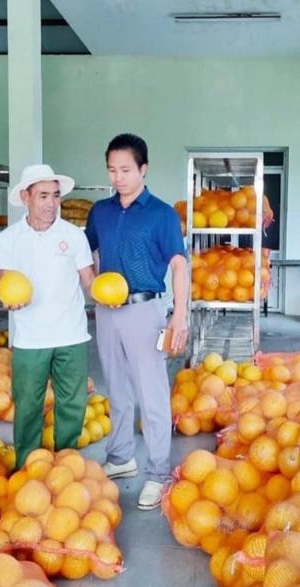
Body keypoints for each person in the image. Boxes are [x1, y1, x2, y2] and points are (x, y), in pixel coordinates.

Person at [85, 133, 188, 510]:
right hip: (108, 312)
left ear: (143, 169)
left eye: (125, 170)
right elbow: (91, 251)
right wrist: (94, 286)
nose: (118, 177)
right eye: (112, 170)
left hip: (146, 311)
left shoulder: (161, 213)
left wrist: (180, 313)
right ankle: (121, 457)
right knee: (118, 387)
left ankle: (158, 472)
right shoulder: (101, 211)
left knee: (152, 392)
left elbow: (178, 264)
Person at [0, 164, 95, 469]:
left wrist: (108, 295)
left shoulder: (74, 235)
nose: (51, 203)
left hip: (72, 335)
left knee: (72, 405)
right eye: (43, 196)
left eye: (55, 196)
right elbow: (5, 282)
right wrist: (7, 300)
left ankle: (66, 465)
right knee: (27, 406)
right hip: (30, 338)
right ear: (25, 197)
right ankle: (28, 467)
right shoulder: (9, 239)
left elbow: (89, 279)